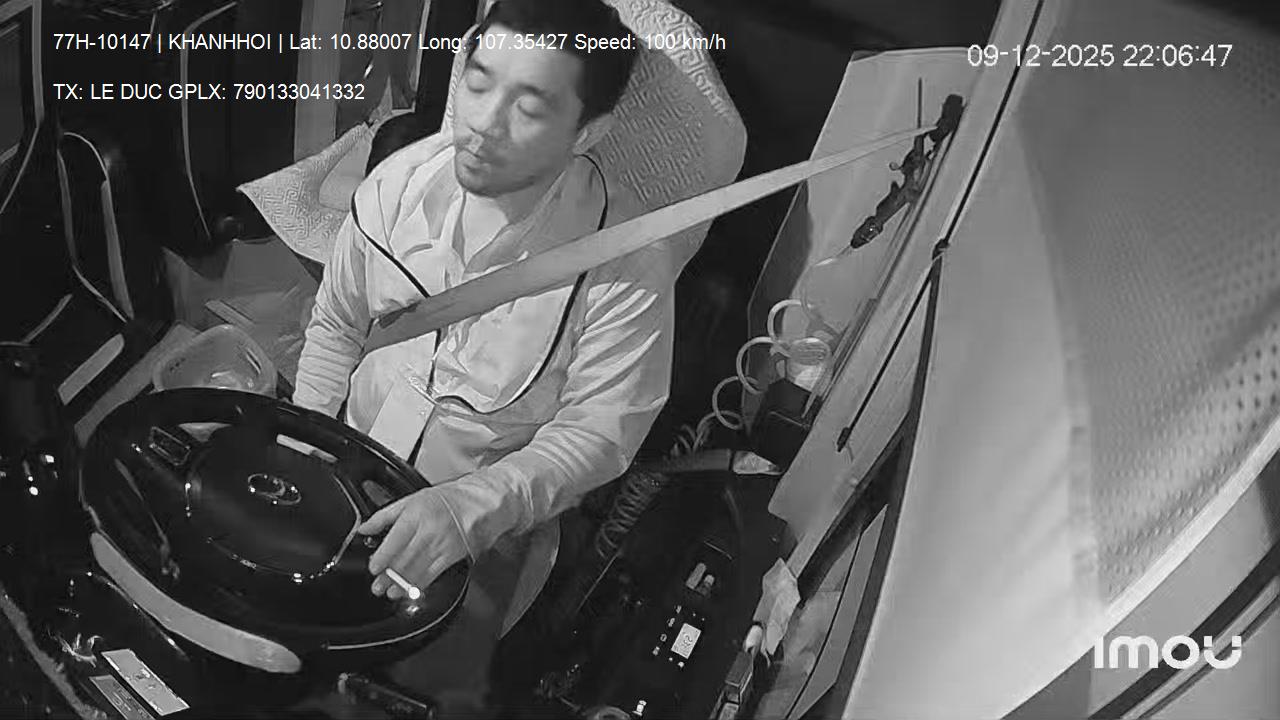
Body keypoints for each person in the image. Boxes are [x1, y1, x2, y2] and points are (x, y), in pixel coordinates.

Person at [292, 0, 686, 710]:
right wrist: (304, 444)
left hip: (485, 528)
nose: (481, 124)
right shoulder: (396, 187)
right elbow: (336, 326)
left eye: (528, 107)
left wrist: (468, 510)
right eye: (477, 82)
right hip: (344, 464)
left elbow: (599, 434)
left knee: (405, 695)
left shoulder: (627, 264)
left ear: (587, 132)